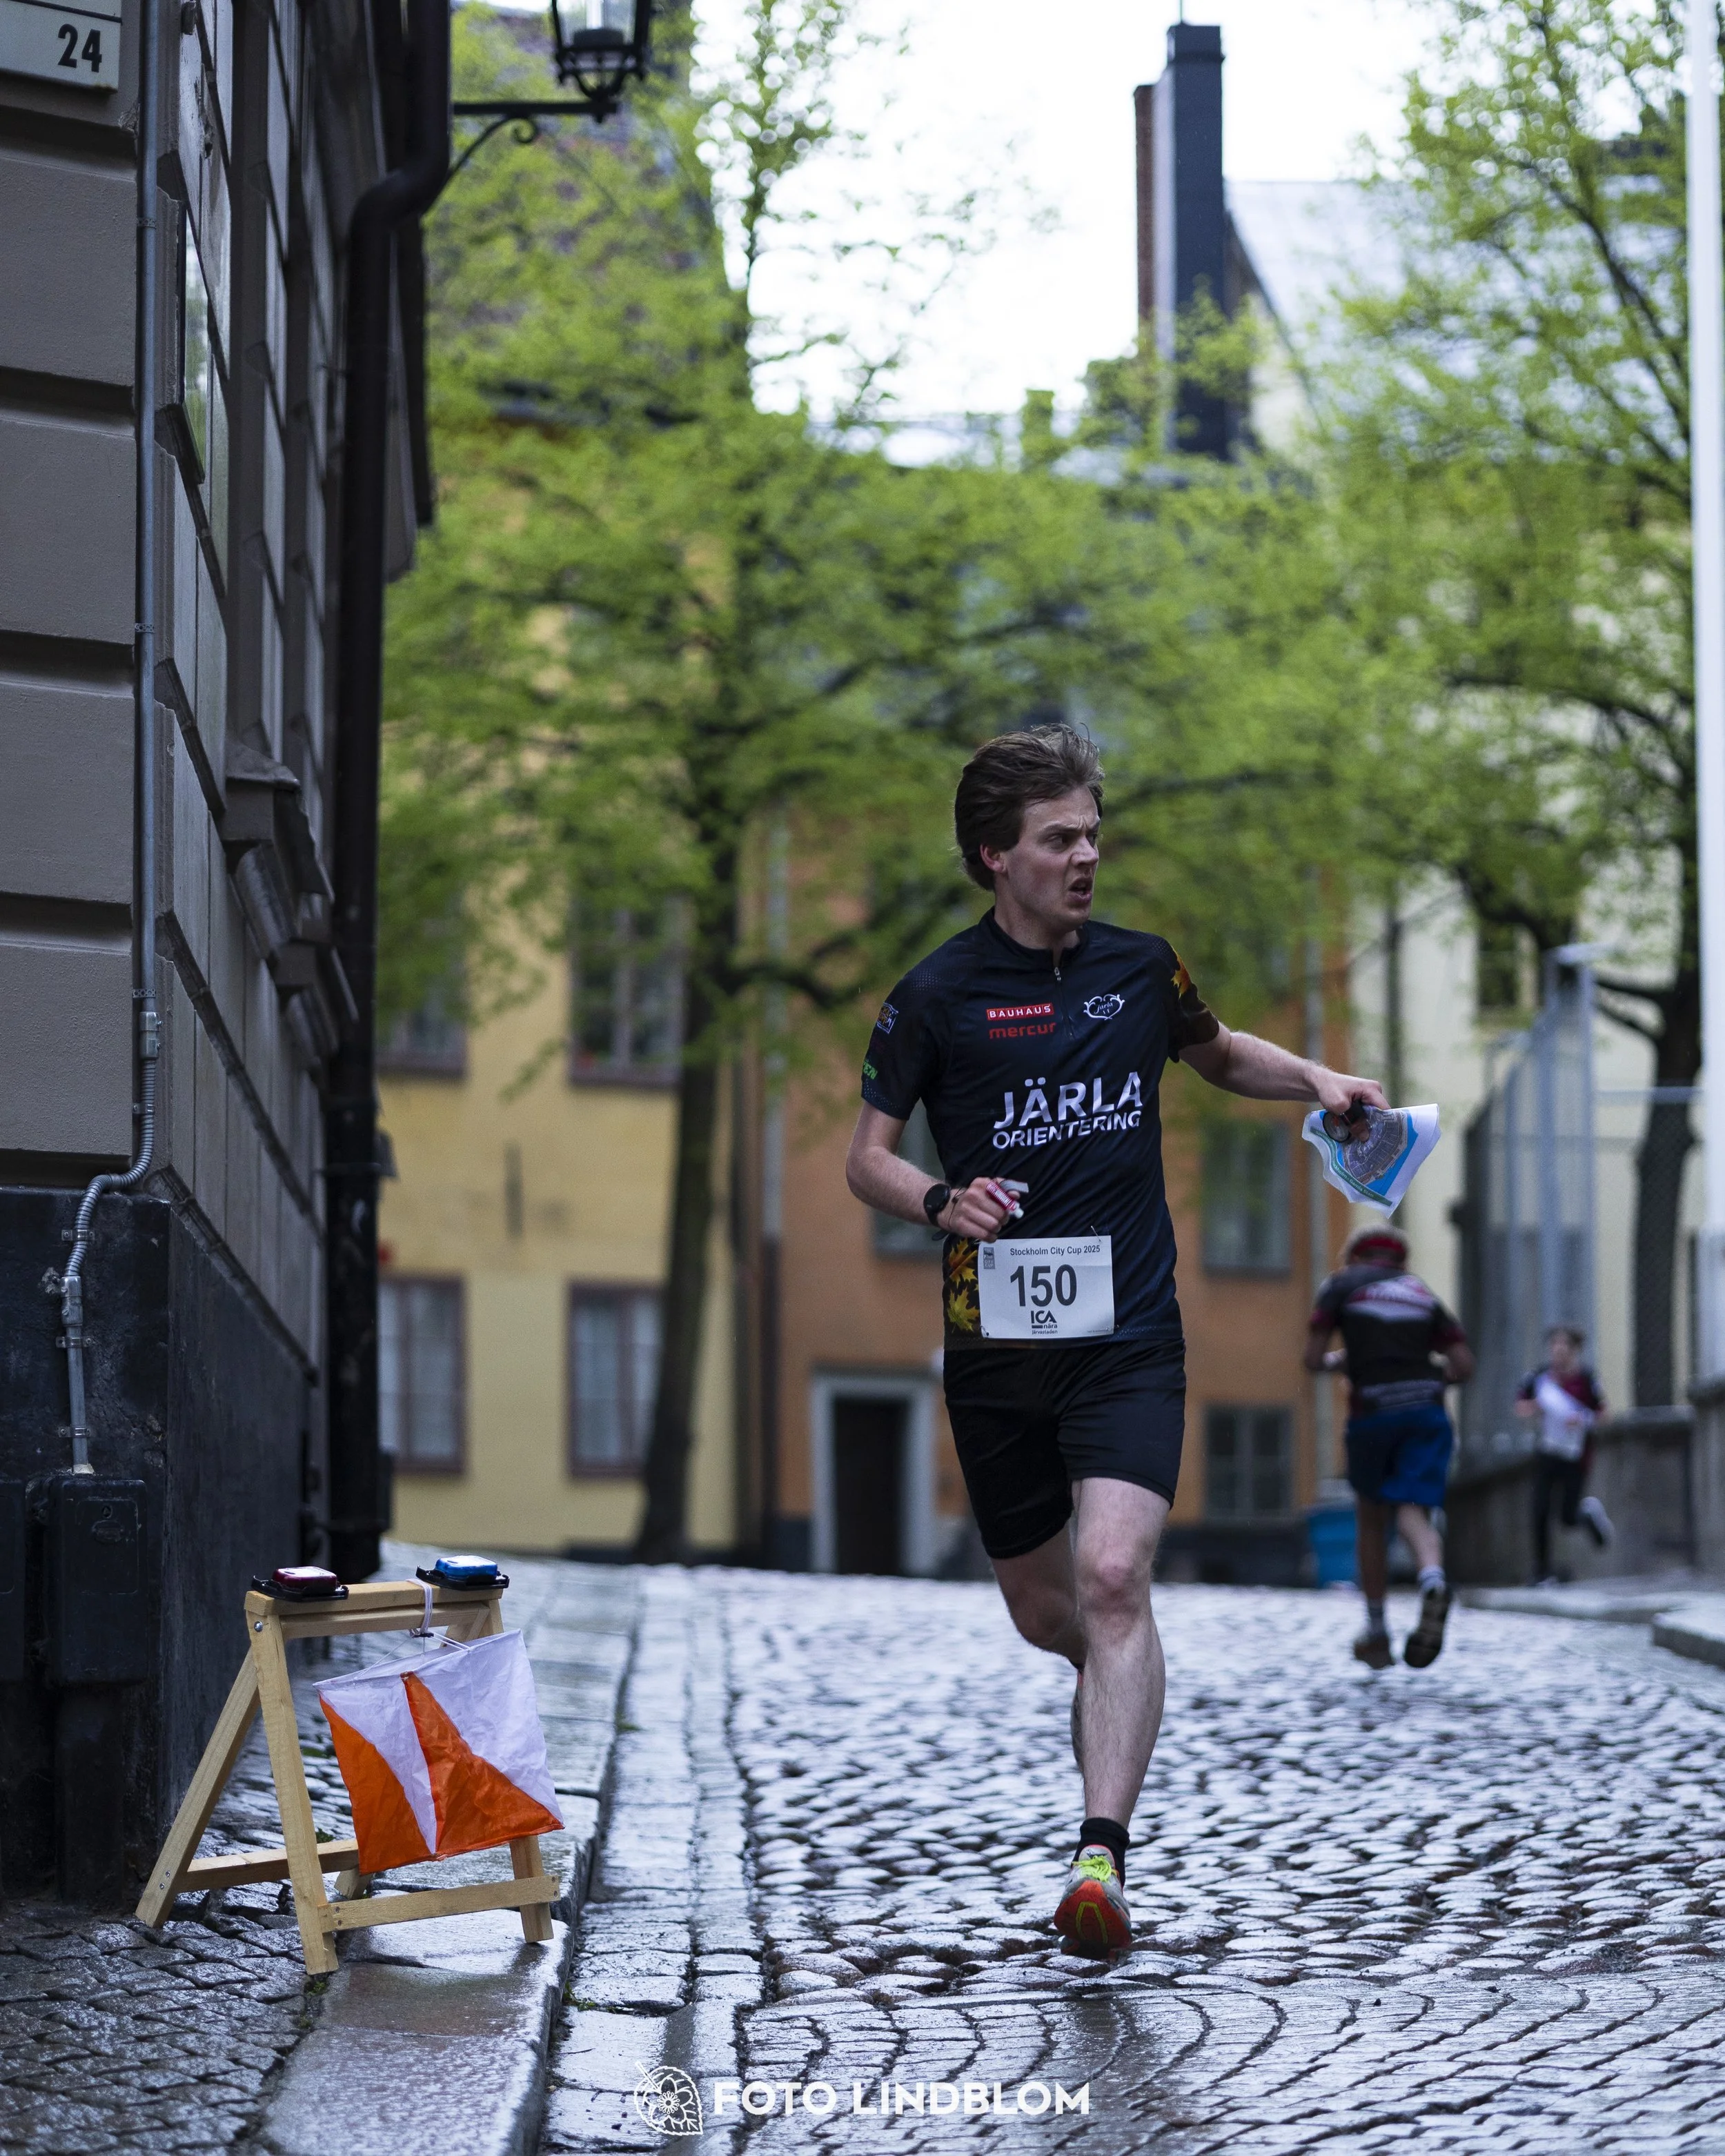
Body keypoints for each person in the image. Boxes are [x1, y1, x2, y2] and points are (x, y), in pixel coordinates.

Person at [845, 726, 1386, 1957]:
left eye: (1094, 833)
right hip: (998, 1349)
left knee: (1112, 1579)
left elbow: (1217, 1053)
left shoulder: (1144, 971)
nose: (1086, 856)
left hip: (1130, 1334)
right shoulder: (933, 996)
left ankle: (1101, 1860)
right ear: (996, 855)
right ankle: (1118, 1694)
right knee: (1050, 1614)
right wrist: (940, 1200)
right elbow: (865, 1159)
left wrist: (1317, 1079)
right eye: (1059, 839)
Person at [1304, 1224, 1475, 1671]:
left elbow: (1312, 1356)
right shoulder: (1421, 1293)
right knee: (1412, 1507)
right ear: (1400, 1261)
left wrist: (1341, 1361)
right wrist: (1426, 1378)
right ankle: (1433, 1578)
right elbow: (1462, 1364)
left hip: (1373, 1414)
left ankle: (1377, 1629)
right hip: (1426, 1412)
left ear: (1354, 1257)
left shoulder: (1341, 1286)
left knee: (1371, 1519)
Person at [1516, 1325, 1612, 1583]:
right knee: (1540, 1510)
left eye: (1564, 1346)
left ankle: (1587, 1515)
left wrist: (1582, 1419)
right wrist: (1537, 1407)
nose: (1558, 1352)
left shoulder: (1587, 1380)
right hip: (1548, 1451)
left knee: (1567, 1516)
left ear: (1575, 1351)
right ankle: (1542, 1570)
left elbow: (1603, 1414)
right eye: (1554, 1346)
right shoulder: (1539, 1378)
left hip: (1576, 1455)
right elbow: (1521, 1406)